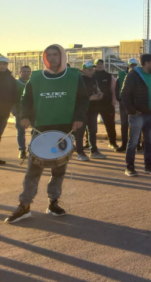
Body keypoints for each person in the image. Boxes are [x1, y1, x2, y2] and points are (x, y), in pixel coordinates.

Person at [5, 44, 89, 224]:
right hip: (41, 128)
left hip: (64, 129)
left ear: (62, 57)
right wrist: (25, 116)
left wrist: (79, 118)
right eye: (48, 55)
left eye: (55, 54)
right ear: (44, 58)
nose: (51, 58)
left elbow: (83, 99)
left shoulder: (74, 76)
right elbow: (25, 100)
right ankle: (24, 205)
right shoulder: (35, 77)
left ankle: (53, 202)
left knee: (59, 170)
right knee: (33, 170)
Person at [121, 54, 151, 177]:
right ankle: (129, 167)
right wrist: (131, 110)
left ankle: (148, 166)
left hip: (150, 113)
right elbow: (124, 94)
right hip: (137, 115)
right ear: (146, 63)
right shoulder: (133, 75)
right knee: (133, 142)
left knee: (149, 141)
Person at [76, 61, 106, 161]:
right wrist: (90, 98)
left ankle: (94, 151)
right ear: (83, 70)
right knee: (80, 132)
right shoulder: (79, 80)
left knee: (93, 131)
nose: (92, 71)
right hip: (82, 110)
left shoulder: (93, 79)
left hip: (93, 109)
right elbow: (75, 97)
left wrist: (99, 94)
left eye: (93, 69)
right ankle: (80, 152)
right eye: (89, 70)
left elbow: (96, 89)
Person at [91, 59, 119, 150]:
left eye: (101, 64)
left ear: (103, 65)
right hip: (93, 104)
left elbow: (113, 89)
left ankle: (112, 142)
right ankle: (89, 143)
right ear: (95, 66)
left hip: (107, 103)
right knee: (91, 125)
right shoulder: (91, 75)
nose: (99, 65)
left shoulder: (108, 75)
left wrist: (114, 99)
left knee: (110, 124)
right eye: (98, 64)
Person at [116, 58, 138, 152]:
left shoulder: (140, 75)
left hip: (136, 102)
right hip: (124, 102)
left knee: (135, 124)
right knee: (124, 123)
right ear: (128, 65)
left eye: (134, 65)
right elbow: (117, 87)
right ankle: (124, 144)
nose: (132, 67)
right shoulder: (122, 74)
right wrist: (119, 98)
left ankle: (136, 144)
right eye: (131, 65)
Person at [0, 56, 17, 165]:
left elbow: (14, 94)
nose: (2, 66)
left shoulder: (11, 79)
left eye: (5, 64)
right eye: (1, 64)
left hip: (4, 112)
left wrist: (13, 108)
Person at [13, 65, 32, 160]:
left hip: (32, 112)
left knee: (35, 131)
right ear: (20, 72)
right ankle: (22, 150)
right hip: (20, 112)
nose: (26, 73)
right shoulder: (16, 83)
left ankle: (33, 150)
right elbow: (12, 98)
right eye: (24, 71)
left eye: (28, 71)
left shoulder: (33, 82)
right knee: (21, 132)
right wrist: (14, 111)